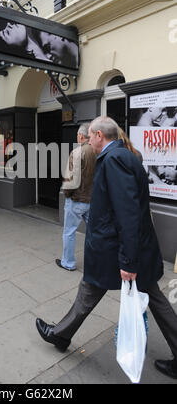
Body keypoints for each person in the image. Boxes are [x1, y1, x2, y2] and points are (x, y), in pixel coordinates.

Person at [36, 116, 177, 380]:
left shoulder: (114, 160)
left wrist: (128, 261)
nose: (88, 140)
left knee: (91, 289)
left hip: (117, 250)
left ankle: (60, 335)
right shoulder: (123, 156)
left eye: (90, 136)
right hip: (122, 248)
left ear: (100, 135)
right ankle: (61, 334)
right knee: (97, 290)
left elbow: (128, 213)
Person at [56, 123, 96, 271]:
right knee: (94, 233)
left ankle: (68, 262)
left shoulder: (78, 152)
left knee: (69, 232)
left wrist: (67, 195)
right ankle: (96, 263)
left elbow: (70, 179)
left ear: (81, 136)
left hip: (77, 200)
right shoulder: (98, 152)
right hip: (92, 200)